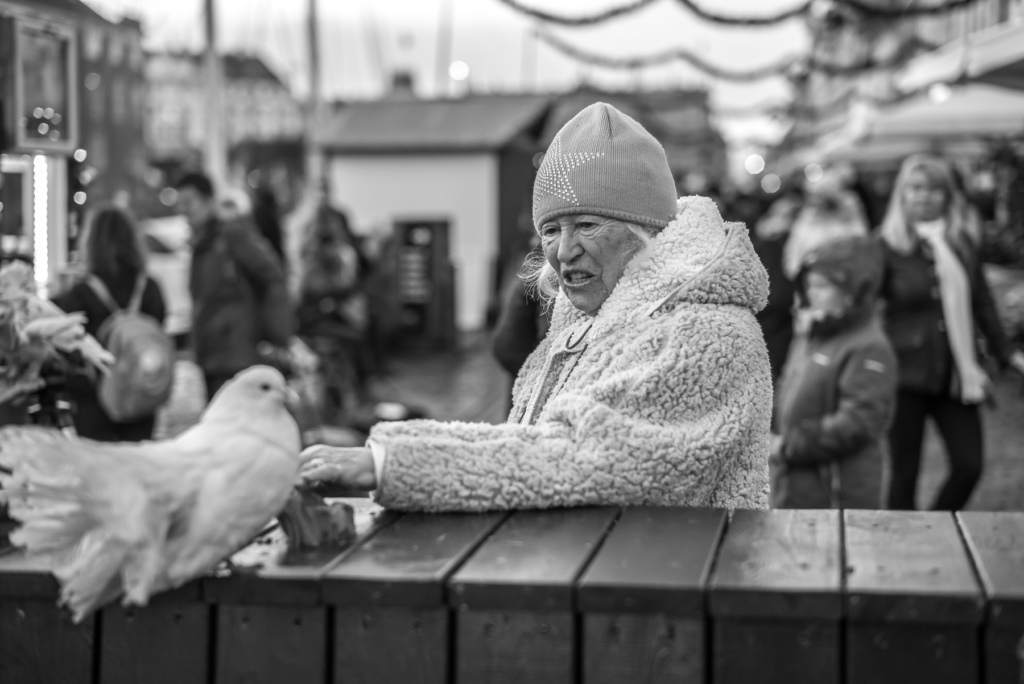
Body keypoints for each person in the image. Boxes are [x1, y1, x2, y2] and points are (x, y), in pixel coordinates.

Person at [298, 102, 773, 511]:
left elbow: (584, 458)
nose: (563, 251)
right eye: (551, 230)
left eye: (587, 224)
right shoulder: (594, 316)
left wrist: (390, 465)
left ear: (647, 231)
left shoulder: (706, 331)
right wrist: (387, 451)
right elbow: (532, 442)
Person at [880, 154, 1024, 511]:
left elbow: (983, 302)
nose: (924, 196)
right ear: (902, 195)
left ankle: (933, 528)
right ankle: (899, 550)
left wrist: (1006, 352)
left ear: (947, 196)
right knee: (904, 473)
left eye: (933, 189)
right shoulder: (884, 247)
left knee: (969, 465)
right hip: (903, 374)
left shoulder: (961, 241)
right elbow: (867, 308)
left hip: (957, 373)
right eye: (915, 188)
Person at [770, 237, 897, 509]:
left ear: (852, 292)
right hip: (794, 485)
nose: (811, 293)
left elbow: (858, 422)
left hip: (837, 494)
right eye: (810, 284)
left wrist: (789, 446)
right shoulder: (812, 333)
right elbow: (786, 388)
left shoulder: (869, 346)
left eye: (823, 286)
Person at [175, 172, 293, 400]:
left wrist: (279, 337)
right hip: (213, 356)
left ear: (209, 201)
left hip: (237, 356)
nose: (184, 210)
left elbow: (273, 277)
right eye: (180, 204)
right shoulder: (201, 243)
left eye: (189, 202)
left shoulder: (231, 236)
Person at [53, 208, 167, 441]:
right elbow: (158, 329)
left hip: (93, 400)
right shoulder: (149, 287)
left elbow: (64, 340)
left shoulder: (81, 293)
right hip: (140, 394)